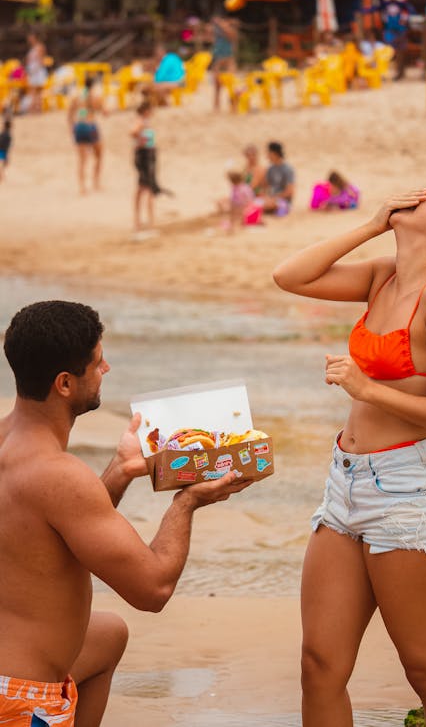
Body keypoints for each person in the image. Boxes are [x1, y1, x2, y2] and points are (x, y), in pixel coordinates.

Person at [273, 185, 426, 726]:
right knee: (319, 664)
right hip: (344, 484)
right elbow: (290, 275)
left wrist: (366, 389)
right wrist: (373, 224)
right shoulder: (383, 277)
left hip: (406, 494)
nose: (416, 193)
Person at [0, 300, 252, 726]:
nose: (107, 370)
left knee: (108, 634)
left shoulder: (15, 449)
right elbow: (152, 590)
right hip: (20, 699)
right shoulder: (58, 475)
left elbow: (52, 536)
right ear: (64, 383)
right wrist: (186, 503)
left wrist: (120, 471)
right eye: (98, 363)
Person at [130, 100, 173, 237]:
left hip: (145, 154)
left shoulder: (143, 121)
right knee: (148, 187)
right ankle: (149, 220)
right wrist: (141, 140)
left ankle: (140, 220)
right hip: (144, 155)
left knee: (143, 187)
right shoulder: (141, 121)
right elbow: (133, 132)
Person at [68, 75, 105, 195]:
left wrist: (72, 128)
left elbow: (70, 114)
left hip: (79, 126)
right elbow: (105, 111)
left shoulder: (77, 96)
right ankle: (96, 182)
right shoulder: (95, 97)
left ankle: (82, 187)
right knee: (98, 155)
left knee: (82, 160)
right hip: (91, 125)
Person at [211, 13, 238, 111]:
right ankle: (216, 106)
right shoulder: (218, 28)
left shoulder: (230, 29)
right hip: (218, 57)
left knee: (231, 83)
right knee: (217, 84)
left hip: (228, 58)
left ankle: (233, 105)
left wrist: (221, 24)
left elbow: (231, 35)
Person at [263, 141, 295, 216]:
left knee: (278, 209)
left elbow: (290, 191)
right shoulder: (270, 169)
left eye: (269, 153)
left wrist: (274, 198)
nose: (267, 156)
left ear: (275, 154)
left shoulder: (287, 169)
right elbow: (266, 186)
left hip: (284, 201)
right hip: (271, 198)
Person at [25, 31, 48, 112]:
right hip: (32, 70)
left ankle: (37, 108)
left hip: (37, 71)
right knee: (34, 91)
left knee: (37, 91)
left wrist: (35, 70)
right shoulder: (32, 48)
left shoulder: (40, 47)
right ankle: (35, 108)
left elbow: (41, 59)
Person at [0, 117, 12, 183]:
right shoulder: (8, 135)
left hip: (2, 150)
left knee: (2, 164)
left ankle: (1, 176)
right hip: (3, 151)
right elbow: (8, 146)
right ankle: (1, 176)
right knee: (2, 164)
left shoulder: (3, 133)